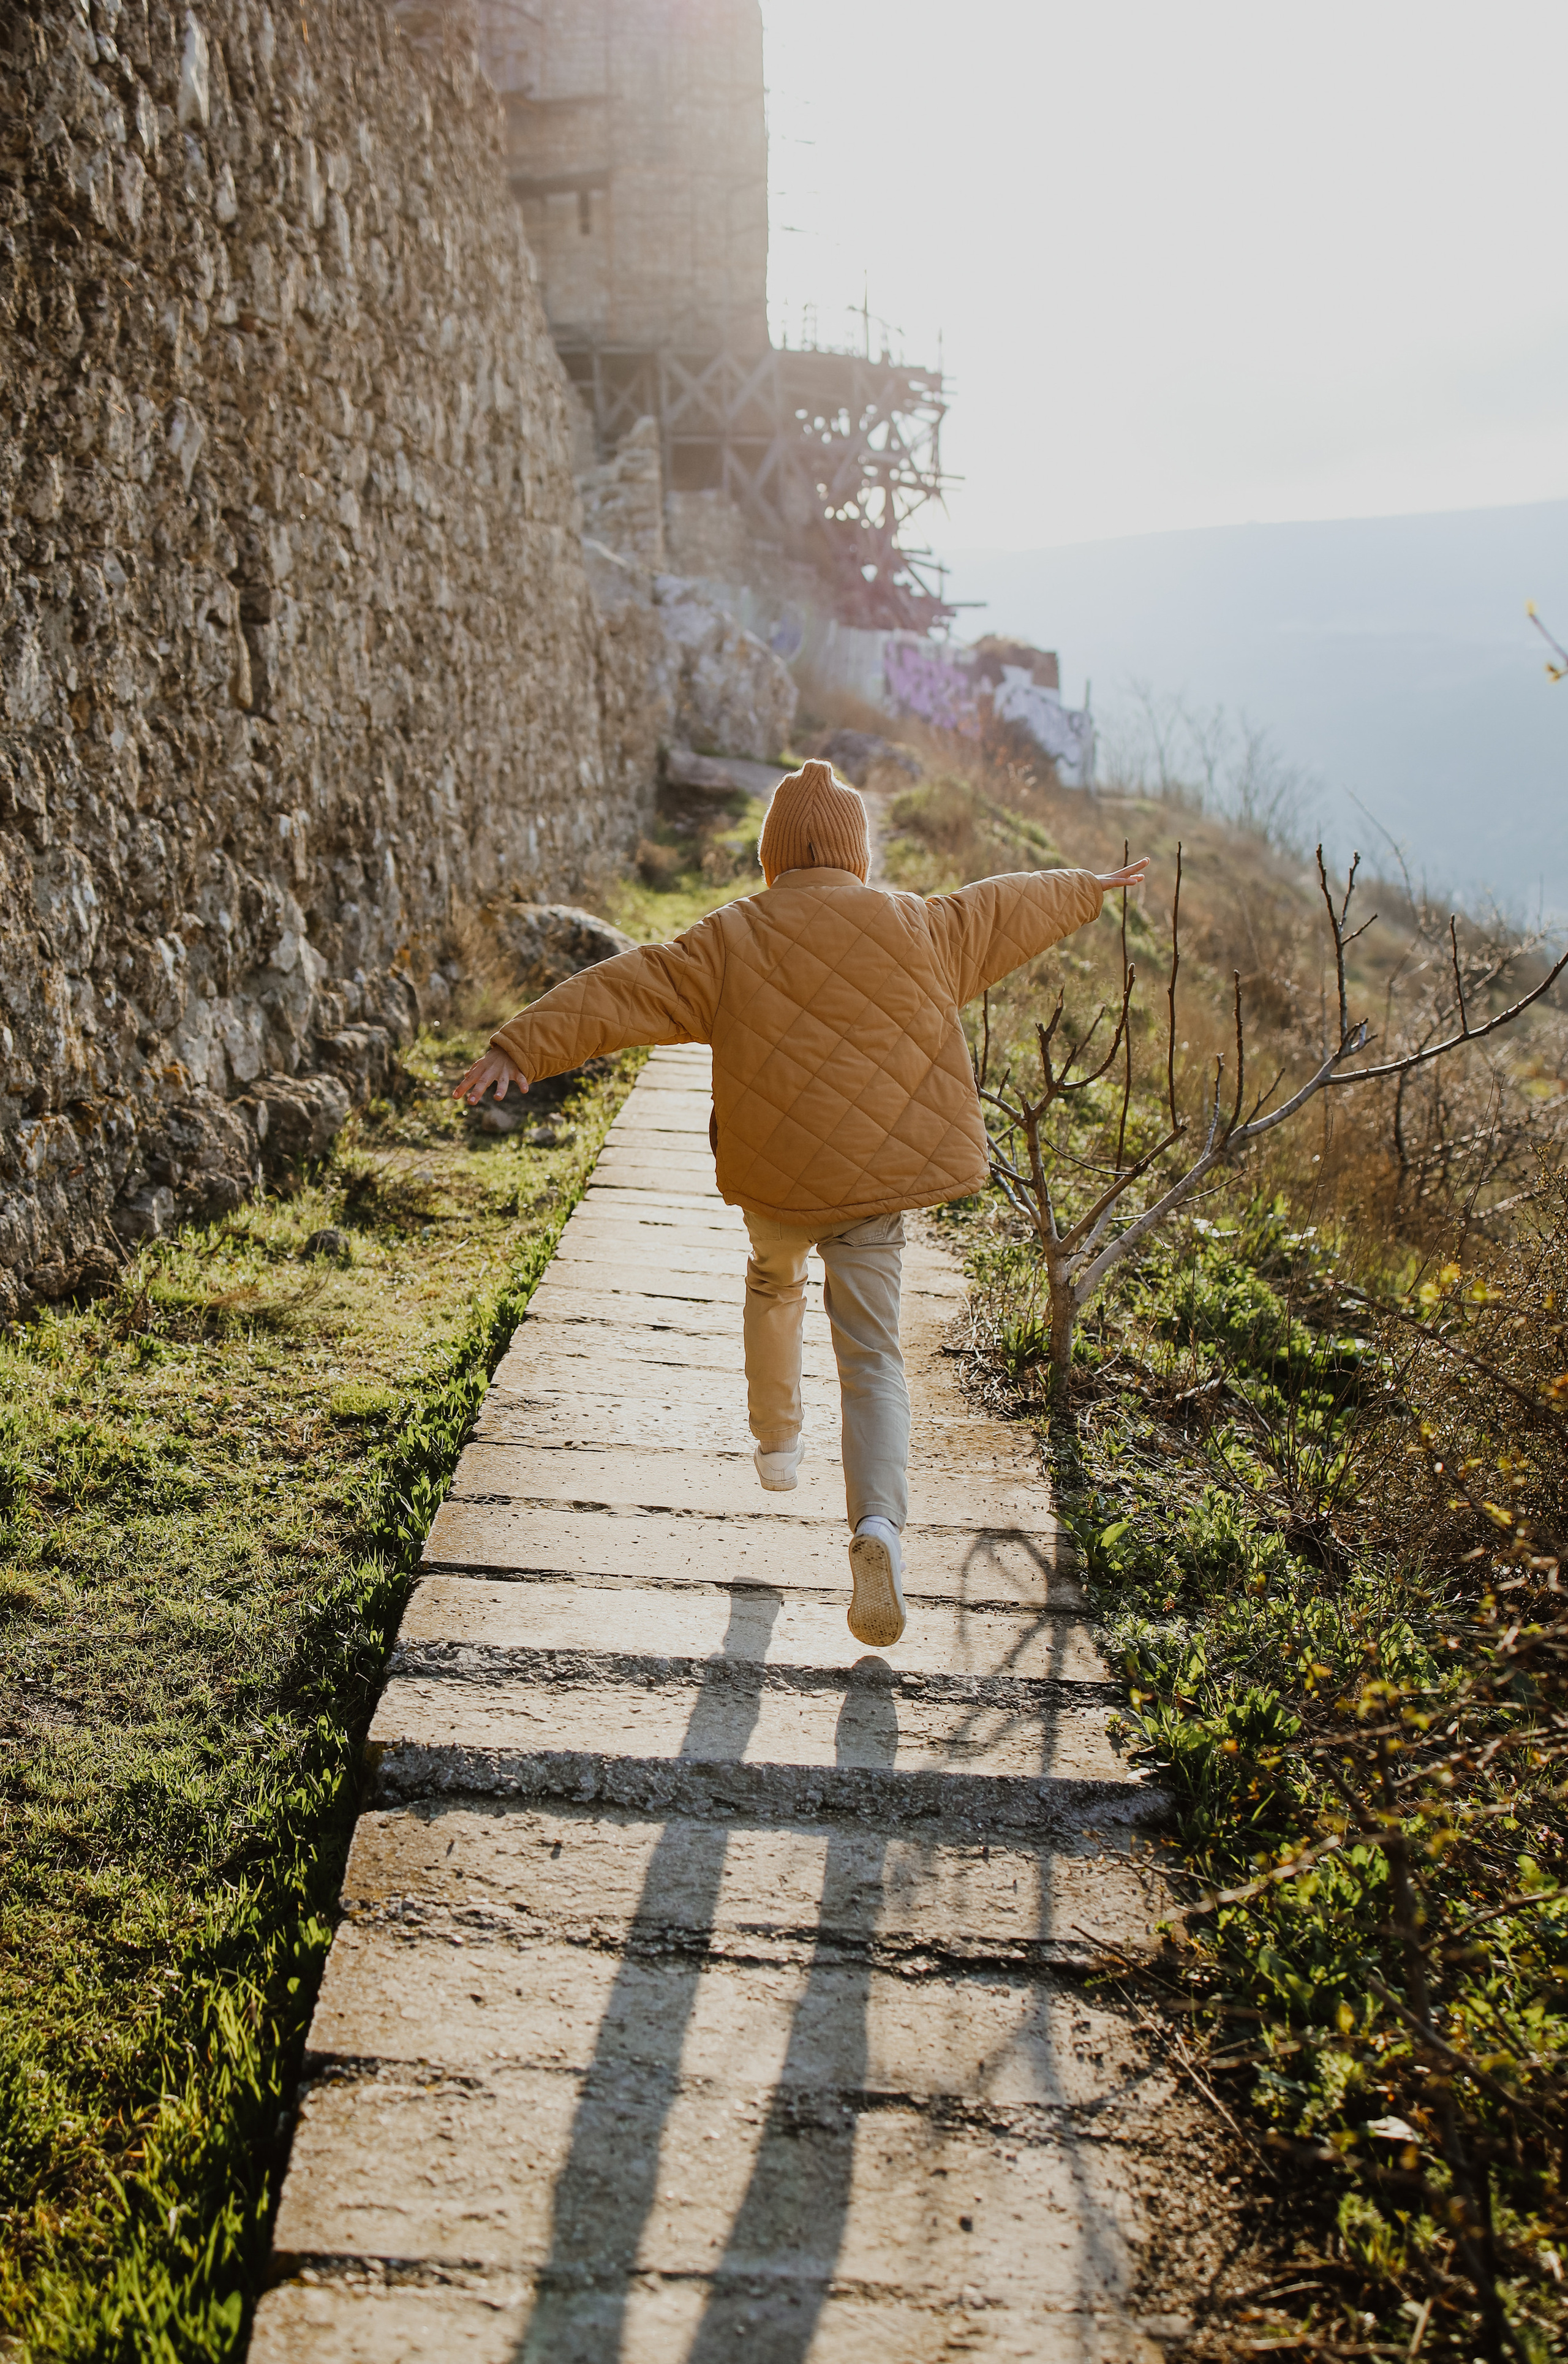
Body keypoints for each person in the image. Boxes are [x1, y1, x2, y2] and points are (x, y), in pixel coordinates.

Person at [456, 759, 1147, 1650]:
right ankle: (879, 1532)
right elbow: (1004, 905)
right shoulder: (920, 924)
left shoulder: (730, 935)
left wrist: (522, 1045)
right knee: (874, 1359)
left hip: (777, 1183)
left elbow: (622, 988)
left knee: (773, 1284)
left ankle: (778, 1446)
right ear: (858, 855)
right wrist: (1084, 888)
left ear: (770, 859)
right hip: (879, 1185)